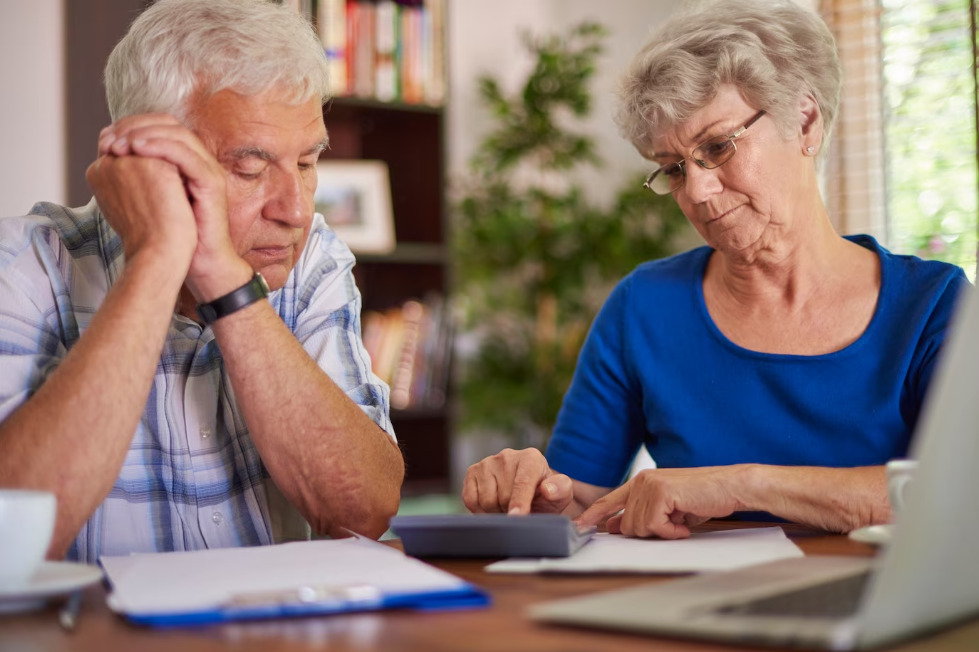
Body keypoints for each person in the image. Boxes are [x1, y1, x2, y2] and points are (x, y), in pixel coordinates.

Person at [462, 0, 969, 539]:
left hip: (879, 615)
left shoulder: (934, 305)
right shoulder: (644, 308)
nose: (697, 192)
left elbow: (962, 489)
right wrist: (531, 496)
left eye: (718, 146)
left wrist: (741, 486)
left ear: (805, 120)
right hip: (695, 611)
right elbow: (581, 503)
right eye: (674, 169)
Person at [0, 0, 404, 563]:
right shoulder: (23, 266)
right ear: (147, 160)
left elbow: (362, 511)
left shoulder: (310, 260)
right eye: (250, 168)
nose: (294, 209)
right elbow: (11, 542)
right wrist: (157, 258)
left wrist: (224, 281)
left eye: (308, 164)